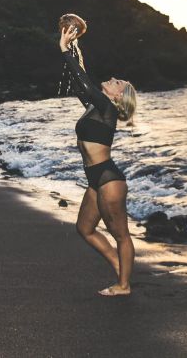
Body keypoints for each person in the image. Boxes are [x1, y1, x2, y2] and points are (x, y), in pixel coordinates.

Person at [59, 23, 137, 296]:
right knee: (85, 228)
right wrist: (70, 46)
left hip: (108, 180)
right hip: (95, 179)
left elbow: (83, 80)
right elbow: (81, 81)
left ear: (118, 97)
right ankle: (118, 265)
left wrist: (63, 50)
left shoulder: (108, 109)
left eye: (118, 83)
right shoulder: (96, 106)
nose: (114, 79)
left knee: (121, 234)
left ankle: (124, 285)